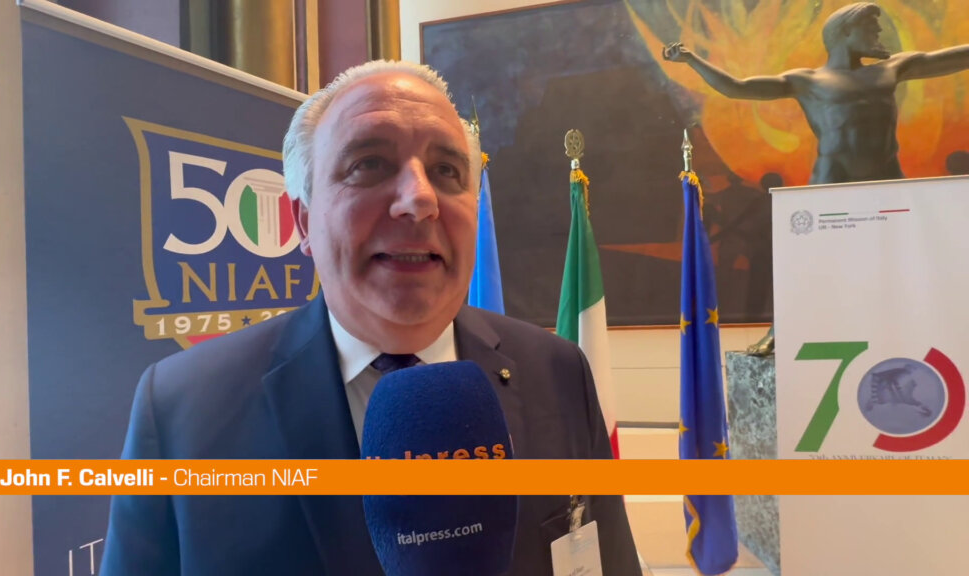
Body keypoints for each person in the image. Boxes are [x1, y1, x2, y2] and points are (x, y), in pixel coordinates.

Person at [100, 60, 643, 576]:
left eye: (447, 170)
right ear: (303, 221)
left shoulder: (558, 372)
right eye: (369, 164)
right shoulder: (182, 407)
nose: (419, 199)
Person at [663, 2, 969, 185]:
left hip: (887, 176)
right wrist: (691, 59)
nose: (879, 33)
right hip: (833, 177)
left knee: (896, 252)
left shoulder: (893, 68)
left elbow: (952, 58)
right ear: (846, 31)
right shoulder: (807, 81)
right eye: (871, 27)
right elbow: (736, 88)